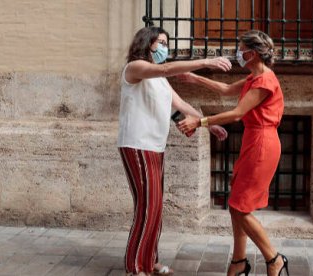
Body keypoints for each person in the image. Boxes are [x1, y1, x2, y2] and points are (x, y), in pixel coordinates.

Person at [117, 26, 231, 276]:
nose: (165, 48)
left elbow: (179, 105)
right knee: (147, 207)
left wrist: (207, 124)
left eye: (167, 42)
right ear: (148, 44)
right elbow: (166, 67)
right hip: (137, 144)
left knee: (155, 207)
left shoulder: (160, 80)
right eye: (161, 42)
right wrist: (207, 61)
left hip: (155, 146)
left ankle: (150, 261)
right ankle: (135, 268)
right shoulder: (135, 68)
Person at [176, 30, 289, 276]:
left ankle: (274, 259)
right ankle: (239, 262)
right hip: (254, 140)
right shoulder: (254, 77)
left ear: (252, 53)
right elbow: (226, 89)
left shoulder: (265, 81)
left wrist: (200, 122)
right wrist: (195, 79)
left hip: (262, 142)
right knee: (236, 203)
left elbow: (237, 113)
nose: (238, 53)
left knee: (240, 207)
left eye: (241, 49)